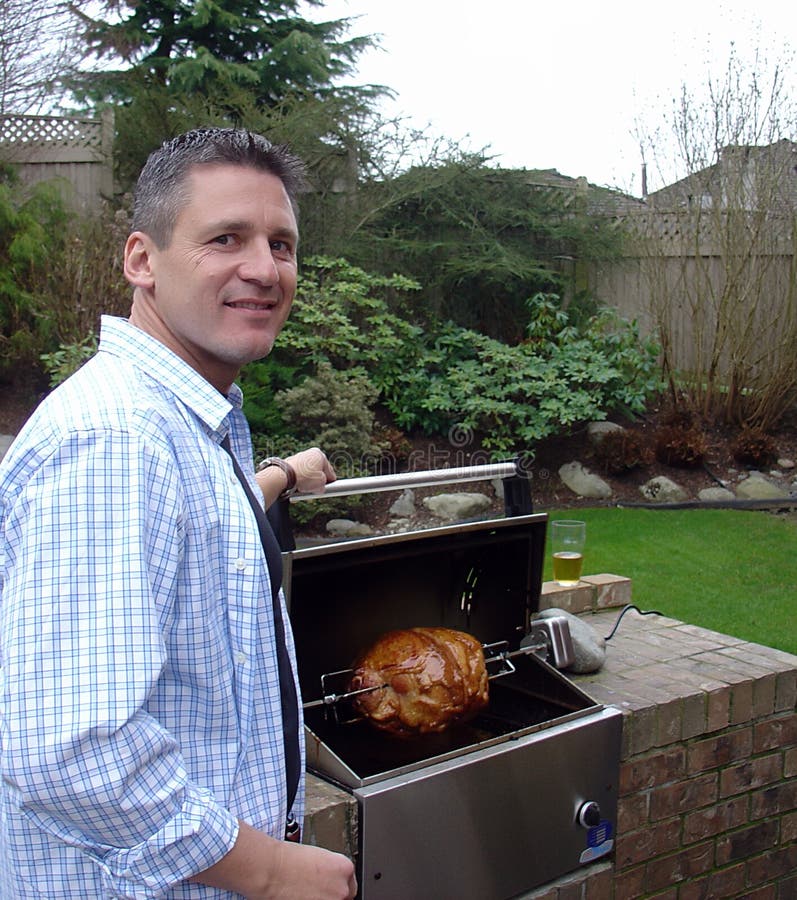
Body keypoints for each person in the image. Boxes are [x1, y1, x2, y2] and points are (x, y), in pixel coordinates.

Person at [0, 128, 357, 899]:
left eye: (282, 244)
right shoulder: (117, 441)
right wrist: (268, 871)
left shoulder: (183, 423)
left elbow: (202, 532)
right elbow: (71, 748)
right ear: (141, 261)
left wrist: (280, 477)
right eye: (225, 238)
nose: (263, 269)